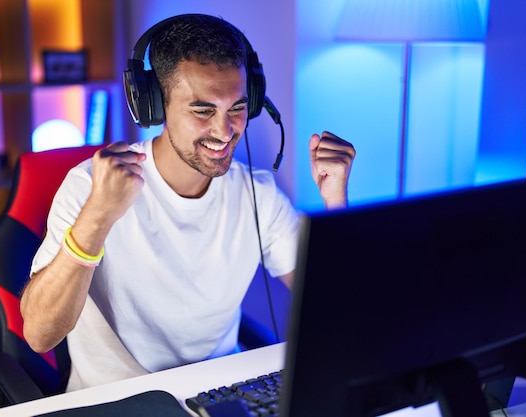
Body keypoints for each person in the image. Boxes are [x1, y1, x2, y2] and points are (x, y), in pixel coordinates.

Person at [20, 13, 355, 391]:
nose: (224, 130)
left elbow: (340, 306)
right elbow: (39, 335)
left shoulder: (258, 195)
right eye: (203, 110)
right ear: (154, 106)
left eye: (237, 108)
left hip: (218, 398)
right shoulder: (89, 187)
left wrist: (335, 203)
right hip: (117, 403)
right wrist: (97, 217)